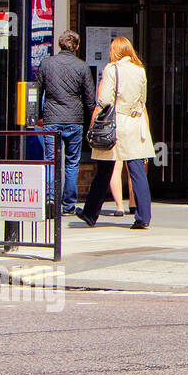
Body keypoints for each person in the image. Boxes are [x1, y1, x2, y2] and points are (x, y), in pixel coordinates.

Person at [76, 37, 153, 230]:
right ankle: (143, 217)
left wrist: (95, 119)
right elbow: (142, 100)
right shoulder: (140, 70)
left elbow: (104, 100)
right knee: (137, 171)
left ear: (115, 51)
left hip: (115, 124)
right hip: (135, 123)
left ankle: (90, 213)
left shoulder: (112, 69)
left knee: (103, 170)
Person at [35, 30, 96, 215]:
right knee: (72, 162)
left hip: (52, 118)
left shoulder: (46, 64)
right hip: (74, 119)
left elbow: (37, 91)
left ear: (59, 44)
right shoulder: (82, 67)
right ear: (77, 46)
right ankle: (68, 204)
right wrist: (91, 119)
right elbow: (89, 98)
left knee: (50, 160)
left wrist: (38, 114)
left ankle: (50, 198)